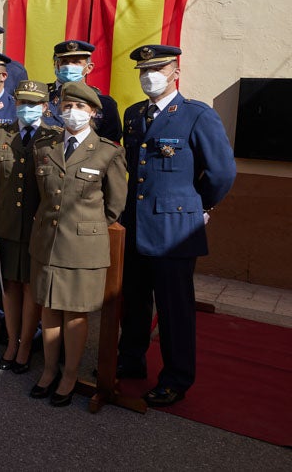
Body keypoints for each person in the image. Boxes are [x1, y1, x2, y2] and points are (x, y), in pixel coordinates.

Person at [117, 44, 236, 407]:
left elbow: (222, 172)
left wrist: (199, 205)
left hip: (175, 231)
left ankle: (176, 377)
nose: (149, 75)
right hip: (137, 224)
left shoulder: (197, 115)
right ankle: (130, 360)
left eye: (158, 68)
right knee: (133, 302)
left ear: (176, 72)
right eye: (142, 70)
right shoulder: (134, 113)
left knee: (174, 309)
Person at [27, 81, 127, 407]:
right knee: (49, 309)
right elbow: (39, 195)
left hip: (82, 248)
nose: (72, 112)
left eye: (80, 107)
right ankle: (49, 369)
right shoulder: (45, 146)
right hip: (46, 243)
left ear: (94, 113)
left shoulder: (108, 152)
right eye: (67, 106)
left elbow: (114, 204)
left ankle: (70, 374)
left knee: (74, 314)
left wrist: (87, 227)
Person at [0, 79, 58, 372]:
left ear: (45, 108)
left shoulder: (55, 137)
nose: (28, 109)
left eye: (34, 104)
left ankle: (26, 343)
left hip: (39, 228)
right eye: (23, 103)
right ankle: (12, 341)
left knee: (30, 288)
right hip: (8, 226)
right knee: (9, 286)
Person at [42, 40, 122, 142]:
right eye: (64, 62)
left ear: (89, 68)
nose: (69, 66)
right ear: (56, 65)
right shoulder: (41, 98)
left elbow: (111, 145)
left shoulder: (104, 104)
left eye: (76, 62)